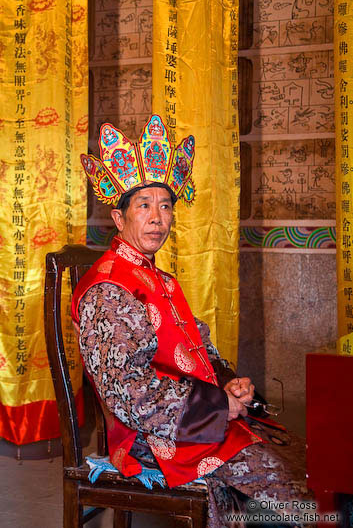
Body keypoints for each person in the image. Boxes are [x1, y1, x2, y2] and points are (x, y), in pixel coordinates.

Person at [72, 115, 313, 528]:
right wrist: (218, 406)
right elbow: (126, 394)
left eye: (165, 206)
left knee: (301, 454)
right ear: (119, 218)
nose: (157, 217)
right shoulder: (109, 289)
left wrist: (225, 382)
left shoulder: (158, 279)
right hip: (148, 435)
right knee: (290, 483)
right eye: (144, 205)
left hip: (191, 413)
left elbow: (196, 348)